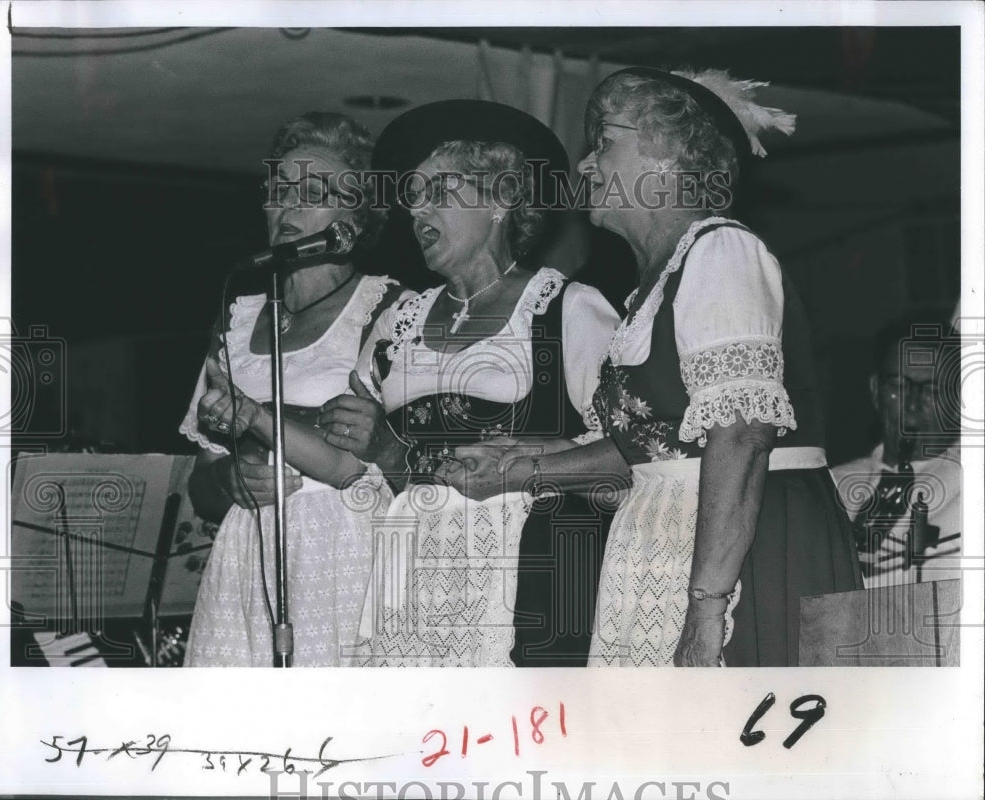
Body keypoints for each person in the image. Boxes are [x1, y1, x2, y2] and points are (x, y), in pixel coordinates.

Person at [452, 68, 864, 667]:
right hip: (663, 543)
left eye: (605, 142)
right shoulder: (651, 288)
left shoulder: (722, 250)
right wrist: (521, 467)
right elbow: (653, 445)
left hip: (747, 550)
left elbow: (742, 434)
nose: (586, 165)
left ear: (669, 157)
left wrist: (707, 606)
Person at [318, 100, 620, 667]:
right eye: (412, 198)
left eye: (438, 191)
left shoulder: (569, 311)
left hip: (535, 583)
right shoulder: (397, 322)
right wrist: (377, 444)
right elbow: (372, 470)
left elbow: (631, 461)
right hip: (412, 582)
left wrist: (529, 464)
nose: (416, 212)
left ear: (502, 199)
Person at [179, 112, 406, 666]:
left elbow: (407, 467)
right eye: (280, 190)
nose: (289, 205)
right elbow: (198, 485)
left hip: (344, 550)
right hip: (247, 555)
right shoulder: (237, 315)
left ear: (357, 216)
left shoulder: (390, 307)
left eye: (313, 192)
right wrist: (228, 478)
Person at [831, 311, 961, 587]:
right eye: (900, 385)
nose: (913, 404)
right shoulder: (832, 486)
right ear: (876, 390)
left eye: (932, 389)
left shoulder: (971, 490)